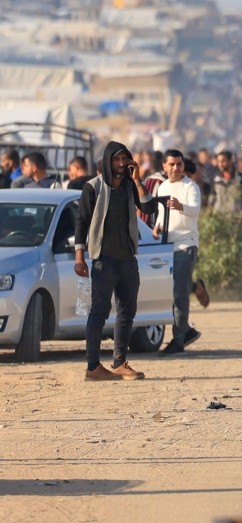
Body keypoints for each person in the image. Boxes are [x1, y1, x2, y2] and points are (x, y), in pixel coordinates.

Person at [73, 141, 156, 382]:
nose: (120, 165)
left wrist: (138, 179)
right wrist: (80, 256)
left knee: (127, 311)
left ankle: (120, 363)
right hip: (103, 260)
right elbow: (81, 222)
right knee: (99, 311)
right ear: (108, 162)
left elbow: (149, 208)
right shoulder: (93, 187)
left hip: (128, 260)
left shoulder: (131, 186)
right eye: (116, 160)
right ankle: (92, 367)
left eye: (124, 160)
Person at [153, 149, 203, 355]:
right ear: (164, 166)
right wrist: (157, 226)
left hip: (185, 244)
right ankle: (186, 330)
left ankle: (179, 339)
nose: (176, 168)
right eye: (171, 165)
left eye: (179, 164)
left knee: (179, 294)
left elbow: (195, 210)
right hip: (168, 245)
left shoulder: (190, 187)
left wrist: (180, 206)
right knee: (171, 292)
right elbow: (162, 214)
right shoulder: (163, 187)